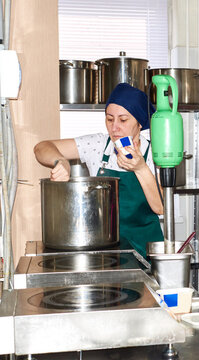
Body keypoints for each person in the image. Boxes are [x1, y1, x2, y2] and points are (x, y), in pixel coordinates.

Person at [34, 83, 164, 257]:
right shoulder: (98, 145)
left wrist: (141, 168)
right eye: (109, 119)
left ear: (139, 123)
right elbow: (41, 147)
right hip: (106, 251)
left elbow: (161, 207)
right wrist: (61, 161)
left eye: (123, 120)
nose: (114, 127)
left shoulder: (156, 154)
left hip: (148, 250)